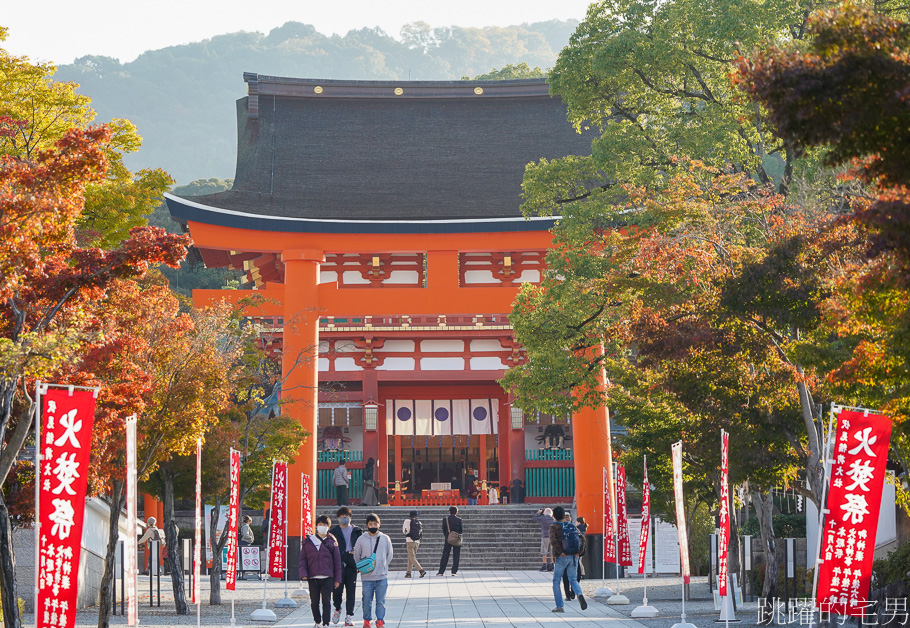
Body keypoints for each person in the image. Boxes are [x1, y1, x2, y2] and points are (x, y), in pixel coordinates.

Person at [298, 514, 342, 628]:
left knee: (326, 602)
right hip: (312, 577)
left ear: (328, 527)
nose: (322, 527)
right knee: (314, 602)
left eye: (324, 525)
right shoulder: (308, 541)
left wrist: (337, 579)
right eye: (320, 524)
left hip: (327, 577)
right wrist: (303, 573)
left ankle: (326, 623)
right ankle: (317, 621)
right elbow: (303, 559)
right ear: (316, 526)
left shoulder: (332, 541)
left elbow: (337, 562)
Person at [353, 514, 393, 628]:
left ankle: (380, 620)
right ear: (367, 525)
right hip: (367, 577)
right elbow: (357, 555)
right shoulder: (361, 539)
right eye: (371, 524)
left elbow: (389, 555)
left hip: (381, 576)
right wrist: (362, 568)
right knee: (366, 601)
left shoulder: (385, 538)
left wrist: (383, 565)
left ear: (379, 524)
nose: (373, 526)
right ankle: (367, 620)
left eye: (375, 524)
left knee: (381, 601)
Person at [549, 506, 587, 613]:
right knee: (573, 579)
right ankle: (579, 594)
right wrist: (578, 552)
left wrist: (560, 552)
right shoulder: (571, 525)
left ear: (554, 516)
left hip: (562, 557)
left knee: (556, 581)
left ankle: (560, 606)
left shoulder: (554, 526)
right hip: (573, 556)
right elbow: (582, 538)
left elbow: (553, 541)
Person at [329, 506, 362, 626]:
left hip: (352, 564)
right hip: (338, 564)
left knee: (351, 591)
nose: (344, 519)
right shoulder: (333, 532)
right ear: (338, 518)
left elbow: (361, 546)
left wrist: (357, 553)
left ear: (350, 518)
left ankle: (349, 616)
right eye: (342, 517)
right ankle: (337, 608)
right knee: (337, 591)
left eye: (346, 517)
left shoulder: (357, 531)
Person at [437, 506, 462, 576]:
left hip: (448, 538)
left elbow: (444, 529)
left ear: (449, 511)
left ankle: (441, 571)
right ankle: (454, 571)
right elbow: (461, 530)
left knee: (445, 555)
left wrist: (447, 536)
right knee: (456, 555)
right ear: (456, 512)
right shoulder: (459, 520)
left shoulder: (445, 519)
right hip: (456, 539)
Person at [401, 510, 426, 578]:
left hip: (409, 540)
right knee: (411, 557)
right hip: (417, 541)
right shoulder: (419, 523)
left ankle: (421, 570)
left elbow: (404, 531)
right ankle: (408, 573)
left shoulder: (407, 521)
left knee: (412, 557)